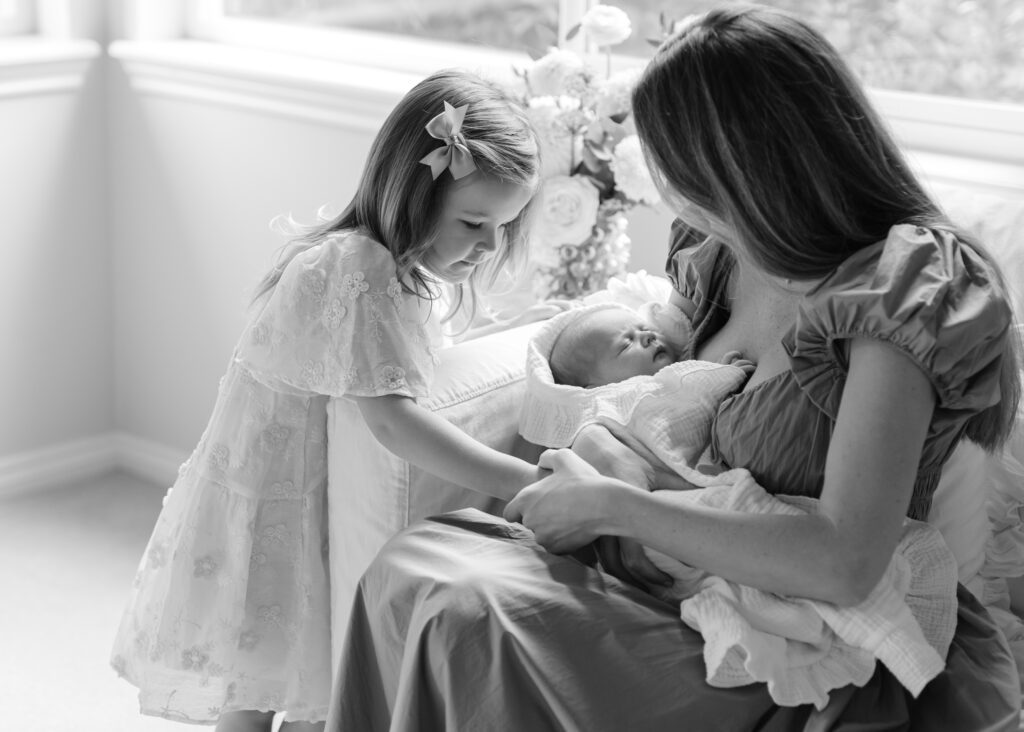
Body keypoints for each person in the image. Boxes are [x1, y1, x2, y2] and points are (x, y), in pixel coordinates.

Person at [327, 6, 1023, 731]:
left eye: (675, 164)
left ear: (745, 161)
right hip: (669, 574)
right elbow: (648, 395)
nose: (667, 189)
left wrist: (611, 506)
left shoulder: (904, 285)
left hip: (802, 639)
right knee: (415, 571)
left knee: (467, 618)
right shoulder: (723, 251)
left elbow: (844, 562)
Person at [110, 68, 554, 732]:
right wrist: (527, 482)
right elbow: (394, 423)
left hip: (308, 505)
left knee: (307, 693)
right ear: (414, 191)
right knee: (258, 694)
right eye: (475, 222)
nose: (490, 246)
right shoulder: (357, 269)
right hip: (275, 515)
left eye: (504, 226)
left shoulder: (386, 270)